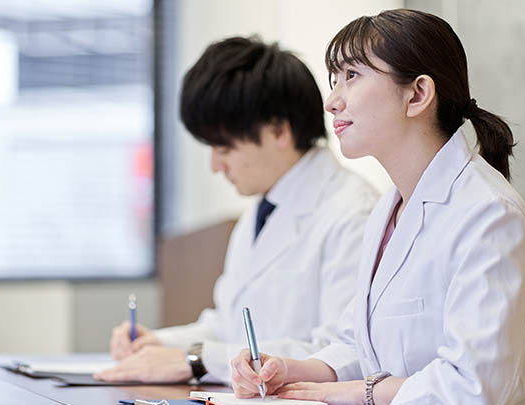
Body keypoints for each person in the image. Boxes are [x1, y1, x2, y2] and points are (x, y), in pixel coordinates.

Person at [230, 9, 525, 404]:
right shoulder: (390, 208)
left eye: (352, 76)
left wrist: (361, 392)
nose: (332, 101)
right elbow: (363, 343)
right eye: (335, 81)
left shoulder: (488, 214)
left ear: (418, 94)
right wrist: (291, 369)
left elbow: (472, 387)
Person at [94, 36, 379, 384]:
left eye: (224, 148)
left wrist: (196, 360)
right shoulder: (260, 210)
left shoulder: (354, 214)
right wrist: (157, 344)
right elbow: (227, 325)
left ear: (278, 130)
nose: (216, 165)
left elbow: (339, 354)